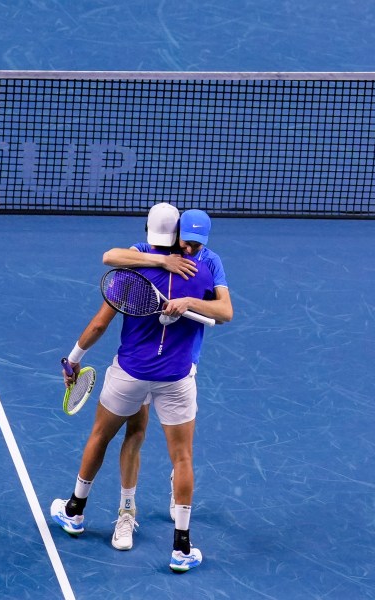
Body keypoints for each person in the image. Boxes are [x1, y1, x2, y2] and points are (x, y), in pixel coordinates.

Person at [50, 203, 220, 572]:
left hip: (130, 374)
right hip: (176, 378)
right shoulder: (203, 273)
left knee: (99, 436)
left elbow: (98, 325)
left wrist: (73, 359)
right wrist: (191, 302)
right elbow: (222, 313)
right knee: (182, 458)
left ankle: (75, 510)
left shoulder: (129, 273)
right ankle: (181, 547)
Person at [103, 209, 233, 521]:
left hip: (181, 363)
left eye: (196, 246)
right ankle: (127, 510)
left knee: (180, 447)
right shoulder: (152, 249)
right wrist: (162, 261)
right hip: (142, 363)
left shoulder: (211, 261)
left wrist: (189, 303)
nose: (189, 250)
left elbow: (225, 311)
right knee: (136, 431)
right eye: (185, 243)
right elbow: (111, 257)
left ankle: (179, 491)